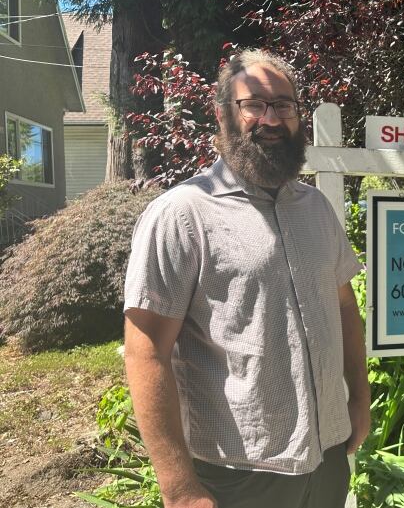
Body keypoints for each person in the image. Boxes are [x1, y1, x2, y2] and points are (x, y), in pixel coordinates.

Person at [123, 49, 370, 508]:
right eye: (254, 104)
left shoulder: (316, 208)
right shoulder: (183, 214)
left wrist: (359, 398)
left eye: (284, 105)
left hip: (329, 458)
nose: (271, 118)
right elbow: (146, 351)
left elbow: (343, 307)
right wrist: (178, 486)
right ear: (223, 115)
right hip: (238, 475)